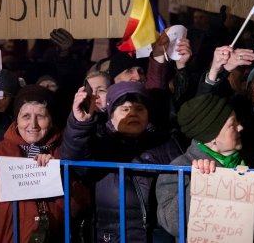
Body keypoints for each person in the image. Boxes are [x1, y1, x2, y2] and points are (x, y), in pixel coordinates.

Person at [61, 81, 188, 242]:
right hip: (112, 237)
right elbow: (76, 161)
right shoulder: (98, 142)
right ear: (111, 115)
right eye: (125, 109)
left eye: (140, 109)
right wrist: (79, 124)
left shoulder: (166, 143)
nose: (133, 114)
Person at [0, 85, 87, 243]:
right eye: (26, 116)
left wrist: (59, 174)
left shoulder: (63, 153)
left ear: (51, 119)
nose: (33, 124)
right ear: (16, 120)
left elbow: (79, 208)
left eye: (41, 116)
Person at [155, 93, 244, 239]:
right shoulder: (180, 168)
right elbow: (172, 224)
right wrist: (198, 184)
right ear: (212, 137)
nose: (240, 127)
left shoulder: (247, 161)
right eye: (232, 124)